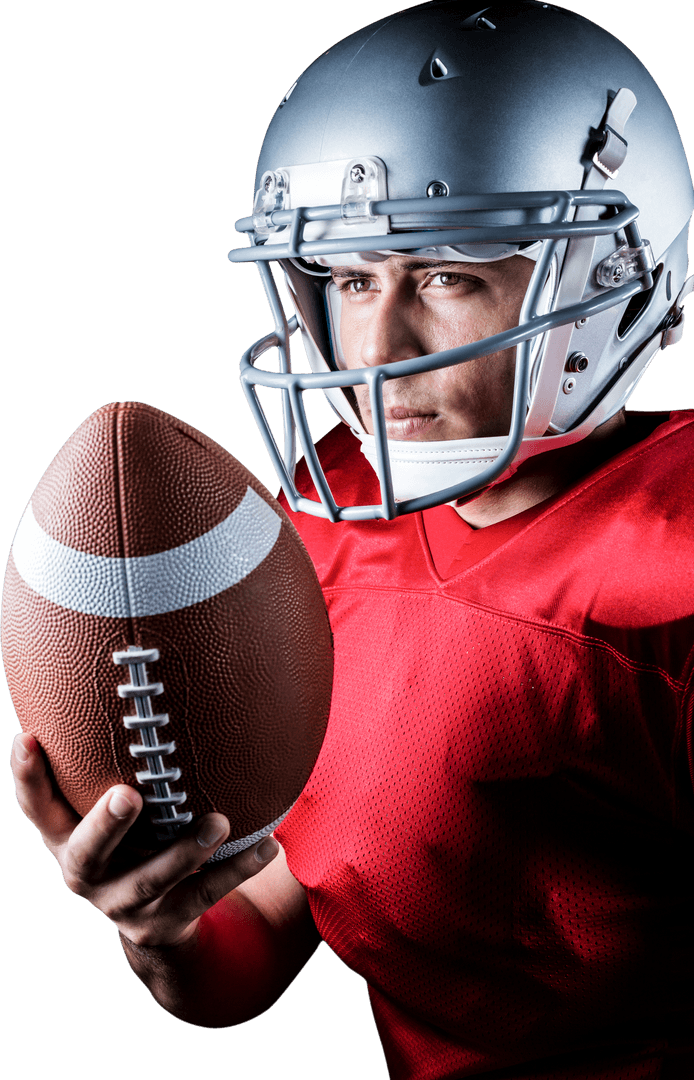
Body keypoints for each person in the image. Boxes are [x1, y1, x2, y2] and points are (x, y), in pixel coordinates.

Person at [10, 2, 694, 1077]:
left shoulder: (673, 568)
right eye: (349, 278)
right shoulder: (330, 509)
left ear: (610, 279)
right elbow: (296, 914)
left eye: (447, 273)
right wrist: (166, 926)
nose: (378, 348)